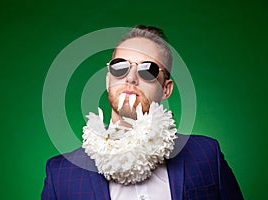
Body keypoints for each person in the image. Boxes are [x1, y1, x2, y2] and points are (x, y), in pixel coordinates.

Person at [41, 25, 243, 199]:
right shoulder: (61, 174)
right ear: (108, 79)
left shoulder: (206, 155)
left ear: (166, 89)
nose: (131, 78)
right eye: (120, 66)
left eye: (148, 69)